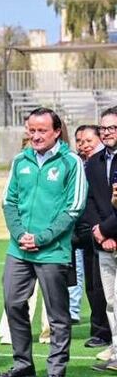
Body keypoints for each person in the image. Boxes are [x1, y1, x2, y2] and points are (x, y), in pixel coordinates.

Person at [0, 108, 86, 377]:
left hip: (52, 250)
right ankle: (23, 365)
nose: (35, 136)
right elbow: (8, 202)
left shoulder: (71, 162)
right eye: (31, 130)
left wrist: (43, 237)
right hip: (19, 249)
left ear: (56, 131)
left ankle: (56, 371)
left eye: (42, 130)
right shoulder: (20, 160)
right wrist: (21, 234)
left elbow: (74, 207)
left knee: (57, 313)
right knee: (13, 303)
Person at [85, 107, 117, 373]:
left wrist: (107, 230)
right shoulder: (93, 163)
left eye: (112, 128)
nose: (107, 132)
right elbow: (90, 201)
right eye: (104, 128)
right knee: (111, 301)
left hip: (112, 237)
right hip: (104, 243)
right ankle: (116, 352)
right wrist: (99, 231)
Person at [73, 124, 110, 348]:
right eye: (79, 141)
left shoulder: (103, 164)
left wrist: (102, 229)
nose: (83, 145)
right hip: (86, 233)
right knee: (91, 284)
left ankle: (103, 332)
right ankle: (99, 330)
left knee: (101, 286)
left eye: (88, 140)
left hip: (102, 230)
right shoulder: (82, 164)